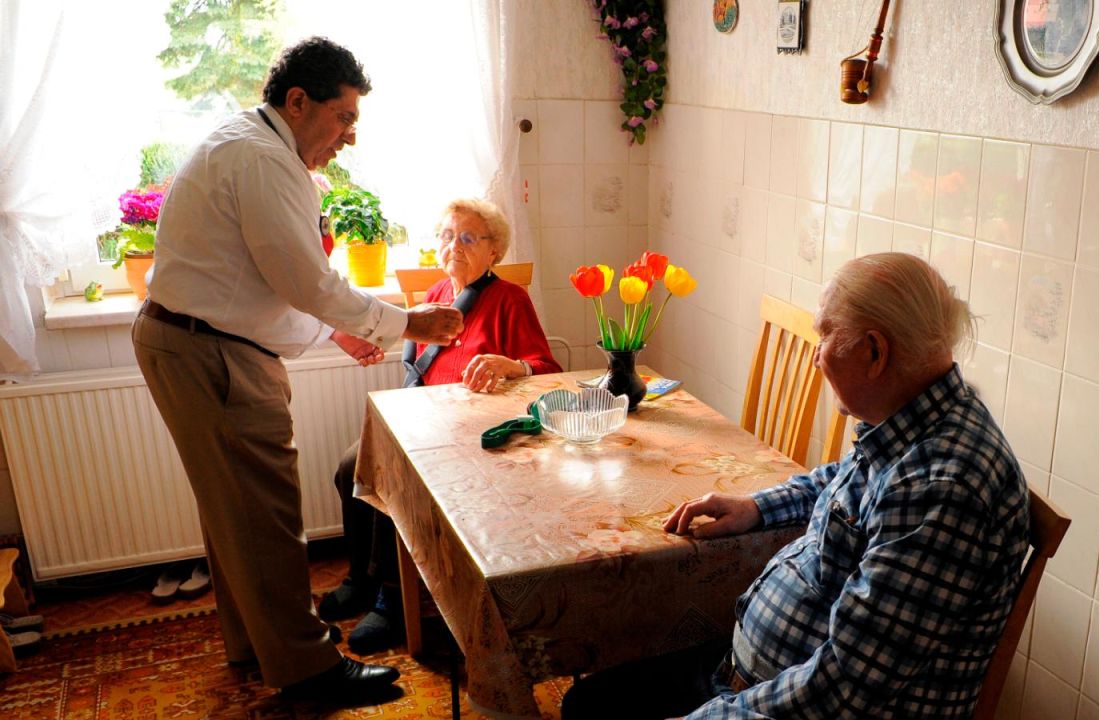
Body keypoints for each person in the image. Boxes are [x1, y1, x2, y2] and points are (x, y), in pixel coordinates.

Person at [131, 37, 465, 702]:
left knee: (236, 513)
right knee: (266, 515)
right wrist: (409, 322)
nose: (347, 138)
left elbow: (273, 279)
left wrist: (338, 328)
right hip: (212, 353)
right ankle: (309, 671)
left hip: (197, 342)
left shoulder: (253, 146)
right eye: (343, 119)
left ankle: (258, 645)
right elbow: (305, 280)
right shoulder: (261, 159)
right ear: (297, 101)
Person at [561, 253, 1030, 719]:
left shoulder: (941, 490)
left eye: (824, 336)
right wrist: (756, 508)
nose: (815, 356)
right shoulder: (920, 419)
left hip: (801, 705)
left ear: (874, 352)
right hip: (752, 677)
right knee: (590, 700)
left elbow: (843, 687)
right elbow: (847, 478)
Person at [319, 198, 561, 653]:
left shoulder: (510, 298)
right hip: (422, 419)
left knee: (394, 474)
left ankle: (390, 601)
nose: (455, 246)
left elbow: (547, 367)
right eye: (448, 236)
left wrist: (511, 365)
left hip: (474, 429)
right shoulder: (433, 296)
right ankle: (362, 577)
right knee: (350, 465)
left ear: (494, 252)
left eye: (469, 238)